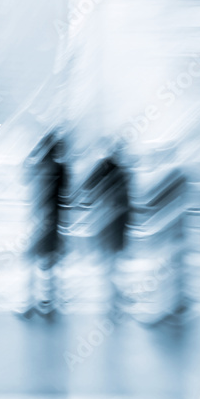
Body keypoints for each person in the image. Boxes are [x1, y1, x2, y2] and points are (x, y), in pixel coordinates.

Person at [80, 140, 130, 312]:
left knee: (111, 260)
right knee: (112, 260)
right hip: (113, 221)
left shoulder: (108, 168)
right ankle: (113, 297)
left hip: (110, 220)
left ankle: (113, 296)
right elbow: (126, 200)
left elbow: (87, 187)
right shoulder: (114, 169)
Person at [24, 131, 68, 317]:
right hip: (52, 221)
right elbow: (64, 196)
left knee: (35, 261)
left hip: (38, 220)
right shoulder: (59, 169)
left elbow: (24, 172)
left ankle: (33, 301)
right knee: (48, 264)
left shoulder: (39, 167)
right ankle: (47, 302)